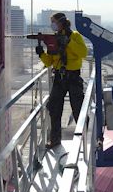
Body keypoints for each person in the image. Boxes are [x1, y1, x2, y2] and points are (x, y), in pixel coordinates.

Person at [35, 12, 87, 148]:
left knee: (78, 109)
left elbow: (84, 53)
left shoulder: (75, 36)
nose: (52, 25)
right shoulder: (54, 39)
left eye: (54, 22)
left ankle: (85, 140)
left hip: (74, 77)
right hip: (59, 77)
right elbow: (50, 62)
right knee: (54, 108)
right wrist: (42, 54)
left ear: (61, 22)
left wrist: (68, 42)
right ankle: (55, 140)